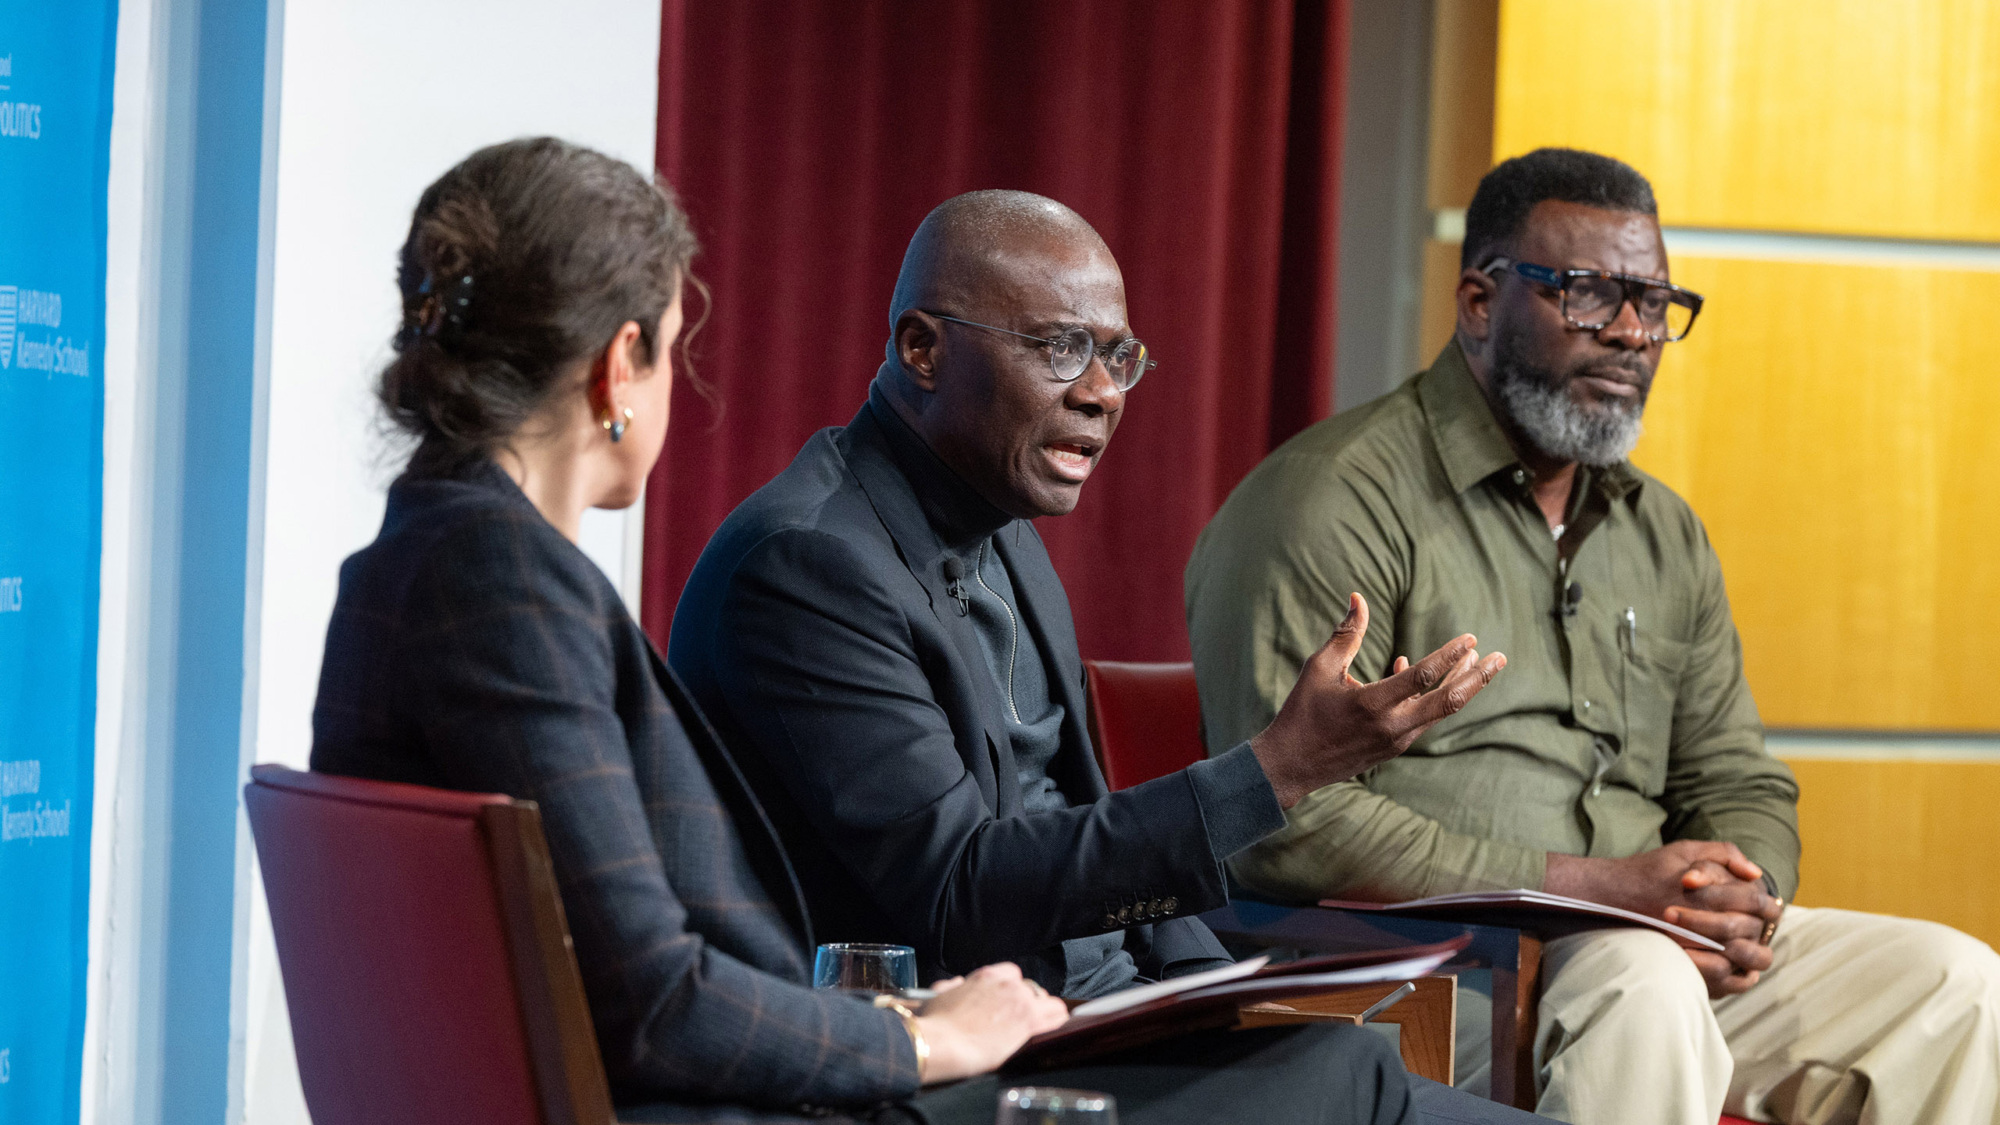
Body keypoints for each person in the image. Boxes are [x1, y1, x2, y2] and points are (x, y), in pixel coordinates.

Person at [670, 190, 1540, 1125]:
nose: (1103, 392)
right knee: (1349, 1073)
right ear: (923, 350)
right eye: (1058, 349)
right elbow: (960, 889)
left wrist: (1226, 990)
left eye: (1119, 355)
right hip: (949, 1072)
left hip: (1108, 1028)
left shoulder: (1006, 531)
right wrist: (1277, 770)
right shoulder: (805, 567)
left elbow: (1079, 825)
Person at [1184, 146, 2000, 1125]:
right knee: (1637, 982)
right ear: (1479, 302)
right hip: (1420, 971)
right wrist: (1605, 892)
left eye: (1651, 304)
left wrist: (1725, 901)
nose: (1628, 333)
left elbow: (1735, 778)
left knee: (1952, 982)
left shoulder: (1662, 531)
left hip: (1651, 949)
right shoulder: (1330, 501)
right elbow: (1284, 819)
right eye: (1584, 294)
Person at [311, 137, 1098, 1125]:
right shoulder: (502, 585)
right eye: (672, 351)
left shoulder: (425, 555)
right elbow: (655, 998)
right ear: (615, 369)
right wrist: (926, 1038)